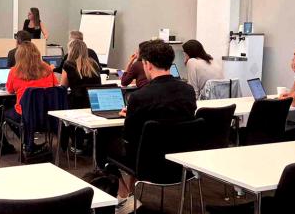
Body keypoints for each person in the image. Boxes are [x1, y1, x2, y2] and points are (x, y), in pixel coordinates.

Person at [104, 40, 197, 212]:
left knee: (105, 143)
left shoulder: (140, 97)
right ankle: (128, 197)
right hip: (182, 163)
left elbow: (129, 137)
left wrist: (131, 114)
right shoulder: (188, 91)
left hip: (148, 165)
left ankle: (124, 196)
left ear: (147, 64)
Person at [6, 42, 58, 151]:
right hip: (46, 115)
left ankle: (27, 142)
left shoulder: (14, 71)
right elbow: (55, 86)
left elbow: (10, 90)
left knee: (4, 112)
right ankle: (29, 143)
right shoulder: (48, 69)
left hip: (25, 115)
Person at [60, 39, 101, 109]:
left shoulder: (68, 64)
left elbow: (63, 87)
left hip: (77, 103)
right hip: (94, 101)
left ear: (71, 51)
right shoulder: (93, 63)